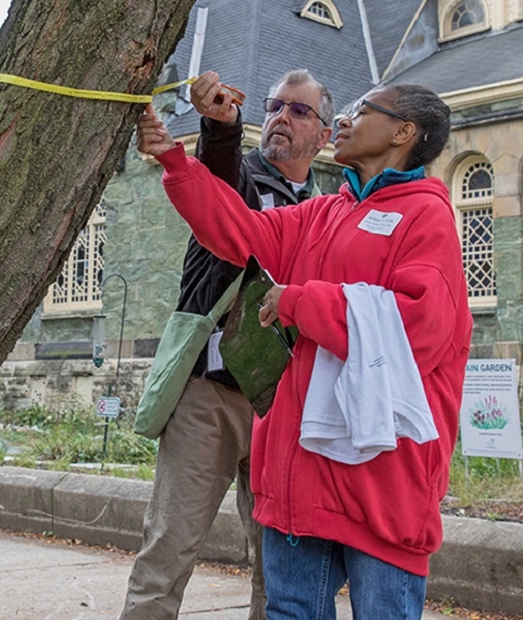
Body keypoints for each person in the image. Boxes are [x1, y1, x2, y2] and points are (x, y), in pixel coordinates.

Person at [136, 81, 472, 619]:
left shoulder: (426, 217)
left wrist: (302, 302)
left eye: (363, 111)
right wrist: (175, 161)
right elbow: (237, 229)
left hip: (380, 479)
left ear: (403, 133)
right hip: (302, 473)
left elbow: (420, 328)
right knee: (289, 612)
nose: (344, 120)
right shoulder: (323, 214)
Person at [120, 70, 334, 620]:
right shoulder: (240, 176)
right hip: (208, 396)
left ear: (325, 136)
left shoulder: (329, 210)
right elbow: (220, 180)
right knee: (169, 547)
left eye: (299, 111)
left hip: (283, 407)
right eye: (275, 105)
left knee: (280, 563)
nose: (282, 117)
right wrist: (222, 125)